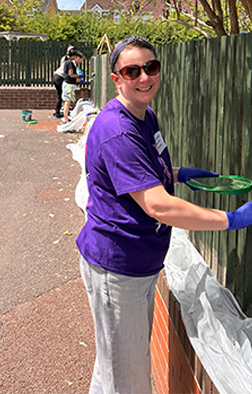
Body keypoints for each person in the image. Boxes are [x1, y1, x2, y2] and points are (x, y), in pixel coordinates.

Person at [77, 35, 252, 393]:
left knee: (114, 364)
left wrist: (179, 174)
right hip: (118, 267)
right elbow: (157, 204)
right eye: (132, 70)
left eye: (151, 67)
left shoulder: (144, 115)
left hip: (137, 265)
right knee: (128, 380)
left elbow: (138, 174)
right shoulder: (118, 131)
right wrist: (230, 220)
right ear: (116, 78)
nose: (144, 77)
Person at [60, 50, 84, 122]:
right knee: (67, 102)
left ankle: (66, 117)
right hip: (68, 85)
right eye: (75, 55)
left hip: (67, 84)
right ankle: (66, 119)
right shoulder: (70, 63)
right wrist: (79, 76)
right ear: (73, 56)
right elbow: (71, 74)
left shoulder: (67, 62)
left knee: (66, 102)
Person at [52, 45, 75, 118]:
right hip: (59, 77)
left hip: (56, 76)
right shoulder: (70, 62)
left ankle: (58, 111)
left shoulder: (66, 60)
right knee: (62, 96)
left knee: (60, 95)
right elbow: (68, 73)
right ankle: (60, 112)